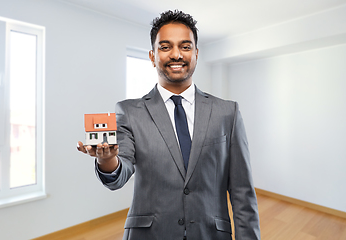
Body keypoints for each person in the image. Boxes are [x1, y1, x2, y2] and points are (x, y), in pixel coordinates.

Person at [77, 9, 260, 240]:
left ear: (196, 53)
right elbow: (120, 172)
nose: (176, 54)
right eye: (165, 47)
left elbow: (243, 192)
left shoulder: (227, 112)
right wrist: (107, 160)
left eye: (185, 46)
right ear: (153, 56)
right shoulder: (129, 111)